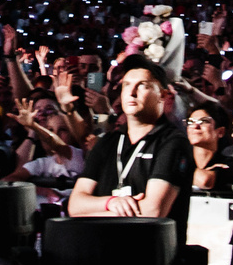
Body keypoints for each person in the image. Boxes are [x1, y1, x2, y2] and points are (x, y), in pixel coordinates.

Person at [68, 59, 192, 241]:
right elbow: (75, 205)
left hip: (150, 254)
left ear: (163, 95)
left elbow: (152, 211)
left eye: (142, 86)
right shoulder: (108, 142)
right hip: (102, 252)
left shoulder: (173, 141)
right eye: (127, 85)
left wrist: (92, 214)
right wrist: (112, 202)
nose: (131, 93)